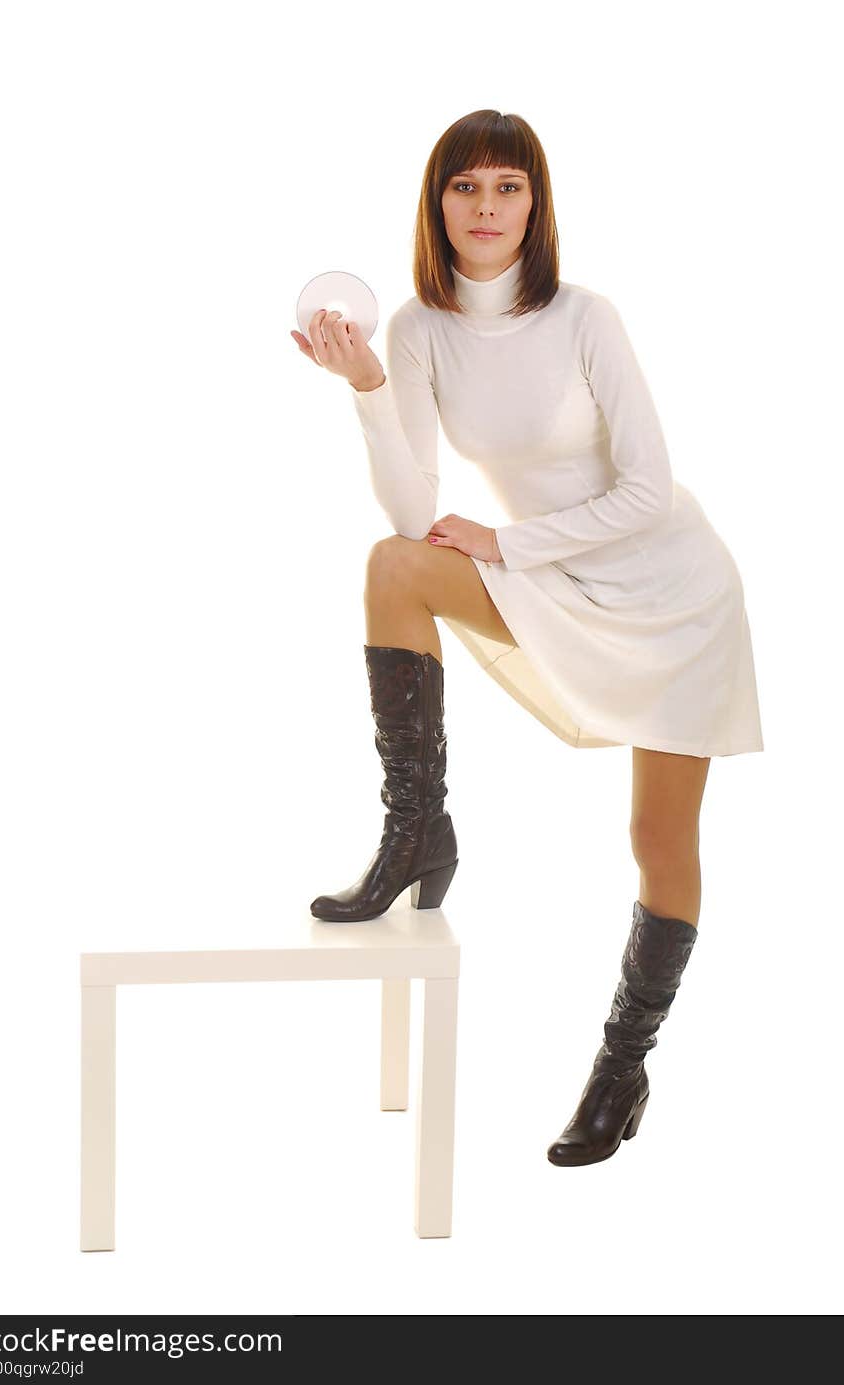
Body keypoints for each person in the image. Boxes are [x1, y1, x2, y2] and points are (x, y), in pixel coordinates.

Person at [290, 109, 764, 1167]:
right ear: (437, 202)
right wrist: (369, 388)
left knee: (658, 840)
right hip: (547, 576)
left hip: (670, 590)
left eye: (509, 187)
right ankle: (417, 828)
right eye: (467, 188)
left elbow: (646, 490)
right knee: (391, 566)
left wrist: (509, 539)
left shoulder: (586, 316)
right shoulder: (415, 330)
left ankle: (619, 1067)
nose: (488, 208)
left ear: (535, 204)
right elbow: (415, 517)